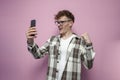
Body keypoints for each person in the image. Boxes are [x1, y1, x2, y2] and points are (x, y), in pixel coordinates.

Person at [26, 10, 95, 80]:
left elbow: (89, 65)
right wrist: (30, 40)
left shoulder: (80, 41)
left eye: (62, 22)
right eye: (57, 22)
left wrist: (89, 44)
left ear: (70, 23)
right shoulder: (52, 40)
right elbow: (37, 54)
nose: (59, 24)